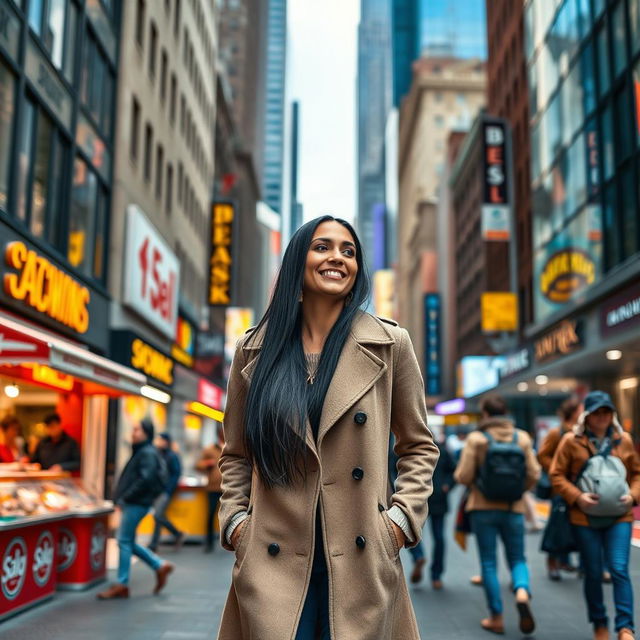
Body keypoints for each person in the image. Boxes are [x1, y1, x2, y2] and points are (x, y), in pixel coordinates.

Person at [216, 216, 439, 640]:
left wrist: (400, 522)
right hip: (271, 558)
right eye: (322, 247)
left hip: (362, 557)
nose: (337, 257)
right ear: (298, 261)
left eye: (348, 250)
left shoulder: (391, 344)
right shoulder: (253, 350)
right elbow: (236, 453)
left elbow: (418, 446)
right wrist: (236, 523)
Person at [550, 391, 640, 640]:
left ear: (613, 415)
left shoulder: (624, 440)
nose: (602, 417)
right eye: (597, 413)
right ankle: (599, 623)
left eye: (606, 412)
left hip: (620, 516)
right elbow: (556, 475)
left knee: (619, 569)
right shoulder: (571, 441)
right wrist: (577, 497)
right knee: (592, 571)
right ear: (586, 416)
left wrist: (633, 496)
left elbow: (637, 473)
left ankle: (625, 628)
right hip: (584, 518)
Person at [454, 395, 540, 636]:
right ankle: (522, 591)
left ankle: (497, 617)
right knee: (518, 558)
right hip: (513, 508)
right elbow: (534, 473)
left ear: (486, 415)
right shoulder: (522, 437)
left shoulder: (477, 438)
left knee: (489, 563)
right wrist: (518, 491)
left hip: (483, 509)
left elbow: (463, 476)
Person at [97, 418, 174, 600]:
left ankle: (122, 584)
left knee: (123, 540)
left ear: (146, 433)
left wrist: (125, 497)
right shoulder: (143, 451)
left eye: (137, 430)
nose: (133, 432)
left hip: (136, 503)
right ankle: (159, 565)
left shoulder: (146, 452)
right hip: (137, 502)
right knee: (128, 541)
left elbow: (145, 480)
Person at [538, 396, 582, 580]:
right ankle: (553, 563)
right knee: (557, 526)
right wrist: (559, 470)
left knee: (577, 526)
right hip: (560, 488)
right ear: (573, 412)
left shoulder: (583, 432)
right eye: (581, 409)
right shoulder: (557, 433)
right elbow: (542, 455)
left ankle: (574, 562)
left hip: (580, 488)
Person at [148, 433, 184, 552]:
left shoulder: (172, 456)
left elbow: (176, 473)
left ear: (167, 441)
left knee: (157, 515)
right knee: (159, 516)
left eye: (161, 440)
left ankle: (177, 533)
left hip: (165, 491)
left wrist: (169, 489)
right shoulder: (157, 453)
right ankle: (154, 544)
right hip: (156, 490)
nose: (159, 442)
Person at [196, 426, 224, 552]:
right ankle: (209, 542)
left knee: (228, 515)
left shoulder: (233, 447)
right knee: (211, 515)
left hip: (228, 488)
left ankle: (228, 542)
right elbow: (197, 465)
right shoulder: (210, 449)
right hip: (213, 488)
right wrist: (206, 464)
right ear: (219, 433)